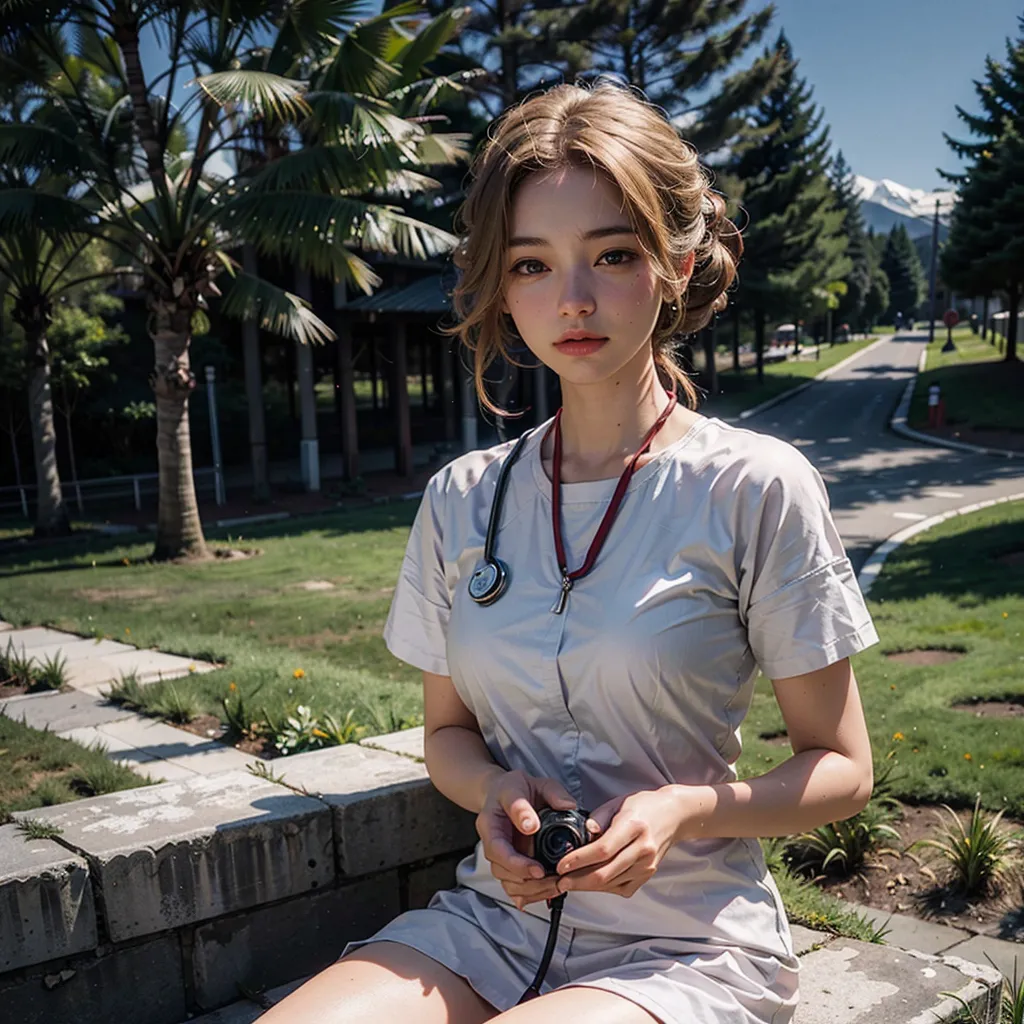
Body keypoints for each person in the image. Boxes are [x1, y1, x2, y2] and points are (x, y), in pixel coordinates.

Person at [260, 79, 879, 1024]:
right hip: (492, 924)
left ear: (676, 264)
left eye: (613, 254)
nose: (574, 299)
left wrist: (685, 810)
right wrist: (495, 789)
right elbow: (447, 737)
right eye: (533, 265)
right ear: (502, 286)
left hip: (687, 942)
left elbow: (841, 768)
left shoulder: (755, 485)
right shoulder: (461, 499)